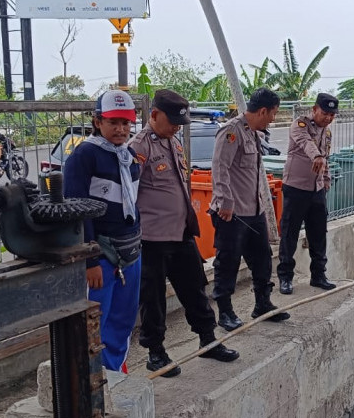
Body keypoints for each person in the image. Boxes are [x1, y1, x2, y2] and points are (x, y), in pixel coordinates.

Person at [129, 89, 239, 377]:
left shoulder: (174, 141)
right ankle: (156, 353)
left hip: (180, 233)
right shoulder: (139, 146)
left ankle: (208, 339)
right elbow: (129, 193)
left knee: (195, 289)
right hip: (152, 237)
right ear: (154, 115)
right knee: (153, 299)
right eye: (173, 121)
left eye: (181, 122)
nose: (178, 127)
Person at [64, 90, 142, 372]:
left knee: (123, 318)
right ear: (97, 122)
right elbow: (77, 212)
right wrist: (90, 261)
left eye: (125, 122)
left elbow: (133, 204)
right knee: (96, 320)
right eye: (113, 122)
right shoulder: (84, 157)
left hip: (130, 251)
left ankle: (114, 371)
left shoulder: (129, 156)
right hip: (102, 256)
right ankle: (92, 380)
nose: (120, 129)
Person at [210, 88, 290, 331]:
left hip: (253, 209)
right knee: (228, 262)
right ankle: (225, 312)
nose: (273, 119)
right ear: (262, 110)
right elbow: (219, 167)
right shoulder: (232, 131)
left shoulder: (252, 133)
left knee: (262, 259)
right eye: (273, 113)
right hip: (231, 212)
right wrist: (224, 201)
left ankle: (262, 304)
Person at [277, 93, 339, 295]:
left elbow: (326, 158)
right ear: (314, 110)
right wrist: (318, 157)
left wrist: (326, 180)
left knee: (318, 234)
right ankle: (285, 278)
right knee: (289, 233)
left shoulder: (327, 133)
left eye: (332, 114)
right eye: (325, 113)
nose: (328, 118)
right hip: (296, 188)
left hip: (317, 190)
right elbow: (306, 144)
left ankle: (318, 275)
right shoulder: (299, 125)